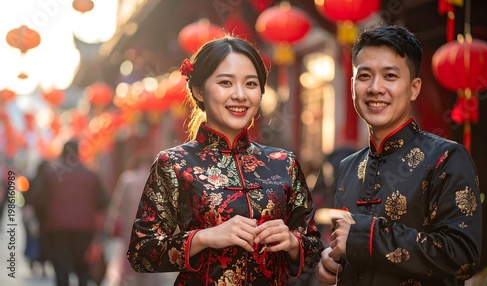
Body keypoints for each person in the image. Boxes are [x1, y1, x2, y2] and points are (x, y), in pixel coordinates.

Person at [127, 36, 323, 285]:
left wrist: (293, 243)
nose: (240, 95)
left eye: (251, 84)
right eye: (226, 83)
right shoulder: (174, 163)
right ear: (199, 90)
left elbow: (315, 249)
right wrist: (204, 238)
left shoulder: (284, 163)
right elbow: (140, 253)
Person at [315, 25, 482, 285]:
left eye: (390, 76)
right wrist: (332, 261)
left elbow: (461, 257)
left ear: (414, 88)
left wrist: (366, 236)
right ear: (352, 85)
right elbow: (350, 247)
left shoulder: (446, 158)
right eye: (364, 76)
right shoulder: (348, 167)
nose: (375, 88)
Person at [32, 140, 109, 286]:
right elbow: (102, 204)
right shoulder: (91, 175)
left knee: (61, 269)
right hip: (84, 229)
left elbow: (39, 202)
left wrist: (44, 223)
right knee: (83, 270)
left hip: (57, 228)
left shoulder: (51, 175)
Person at [104, 151, 177, 286]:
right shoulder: (161, 181)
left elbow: (116, 206)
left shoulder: (127, 179)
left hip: (130, 229)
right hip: (155, 228)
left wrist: (110, 225)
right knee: (152, 261)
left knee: (129, 265)